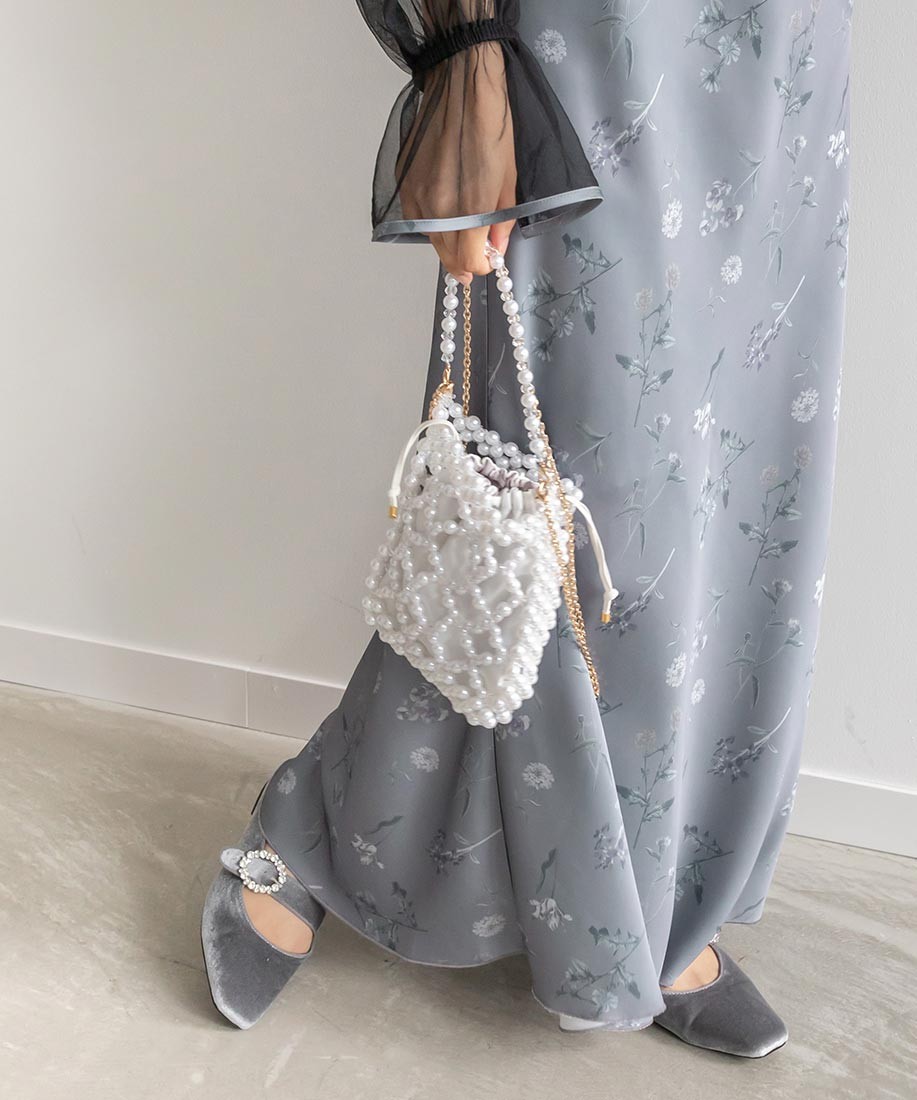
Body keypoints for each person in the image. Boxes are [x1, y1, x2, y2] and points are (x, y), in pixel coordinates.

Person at [201, 0, 852, 1057]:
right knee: (574, 510)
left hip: (784, 57)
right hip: (602, 53)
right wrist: (462, 78)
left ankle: (654, 897)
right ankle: (323, 828)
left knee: (735, 492)